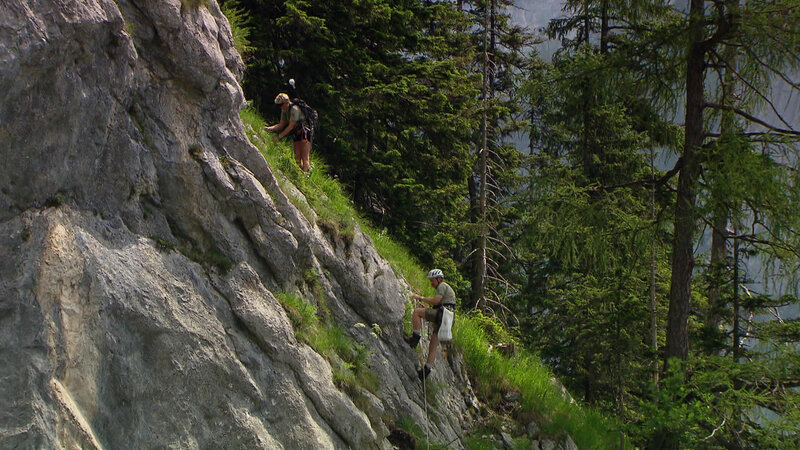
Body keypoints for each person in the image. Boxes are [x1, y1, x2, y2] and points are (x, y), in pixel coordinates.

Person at [405, 269, 456, 381]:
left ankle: (415, 338)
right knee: (433, 346)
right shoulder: (447, 289)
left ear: (439, 279)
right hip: (447, 318)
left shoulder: (442, 286)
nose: (431, 283)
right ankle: (425, 372)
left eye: (432, 280)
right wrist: (428, 310)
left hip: (442, 315)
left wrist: (421, 298)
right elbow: (440, 304)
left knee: (416, 312)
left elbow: (437, 301)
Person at [265, 93, 312, 172]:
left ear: (287, 102)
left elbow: (291, 126)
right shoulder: (284, 110)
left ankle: (305, 176)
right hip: (296, 134)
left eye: (281, 105)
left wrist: (279, 137)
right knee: (297, 157)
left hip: (305, 133)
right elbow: (281, 125)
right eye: (279, 106)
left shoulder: (294, 109)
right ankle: (300, 176)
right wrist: (268, 129)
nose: (280, 107)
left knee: (305, 158)